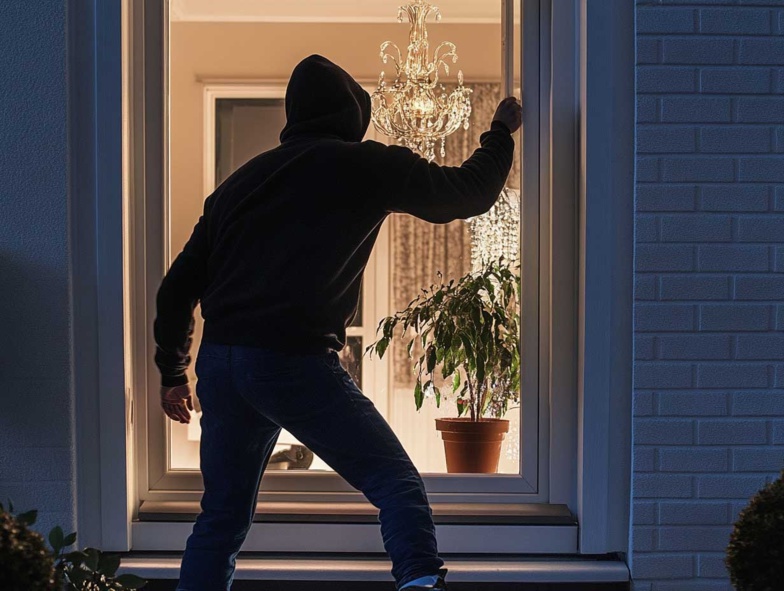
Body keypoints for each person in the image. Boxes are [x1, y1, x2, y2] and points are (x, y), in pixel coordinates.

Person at [154, 54, 521, 591]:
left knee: (221, 520)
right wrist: (501, 132)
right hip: (290, 361)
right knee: (396, 482)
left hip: (223, 365)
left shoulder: (238, 184)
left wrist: (172, 371)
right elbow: (467, 193)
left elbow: (176, 288)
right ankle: (421, 581)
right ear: (354, 112)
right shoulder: (362, 164)